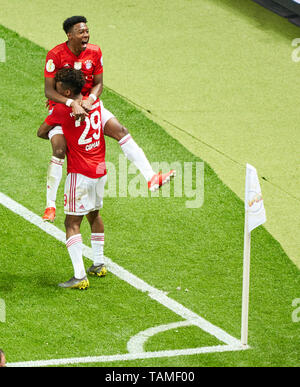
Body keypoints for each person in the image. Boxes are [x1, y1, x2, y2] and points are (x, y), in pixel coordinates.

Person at [43, 15, 175, 222]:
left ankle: (151, 178)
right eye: (81, 32)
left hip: (90, 105)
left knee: (121, 130)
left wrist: (91, 99)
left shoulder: (95, 52)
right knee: (59, 150)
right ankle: (50, 205)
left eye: (87, 31)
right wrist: (71, 103)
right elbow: (48, 91)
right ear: (70, 35)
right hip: (63, 108)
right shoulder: (55, 55)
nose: (86, 34)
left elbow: (99, 84)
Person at [38, 68, 110, 289]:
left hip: (79, 174)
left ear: (67, 91)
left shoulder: (61, 109)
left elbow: (41, 132)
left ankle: (79, 276)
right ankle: (99, 263)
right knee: (94, 214)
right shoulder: (94, 103)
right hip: (100, 171)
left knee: (71, 223)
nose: (54, 91)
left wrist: (57, 125)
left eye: (58, 87)